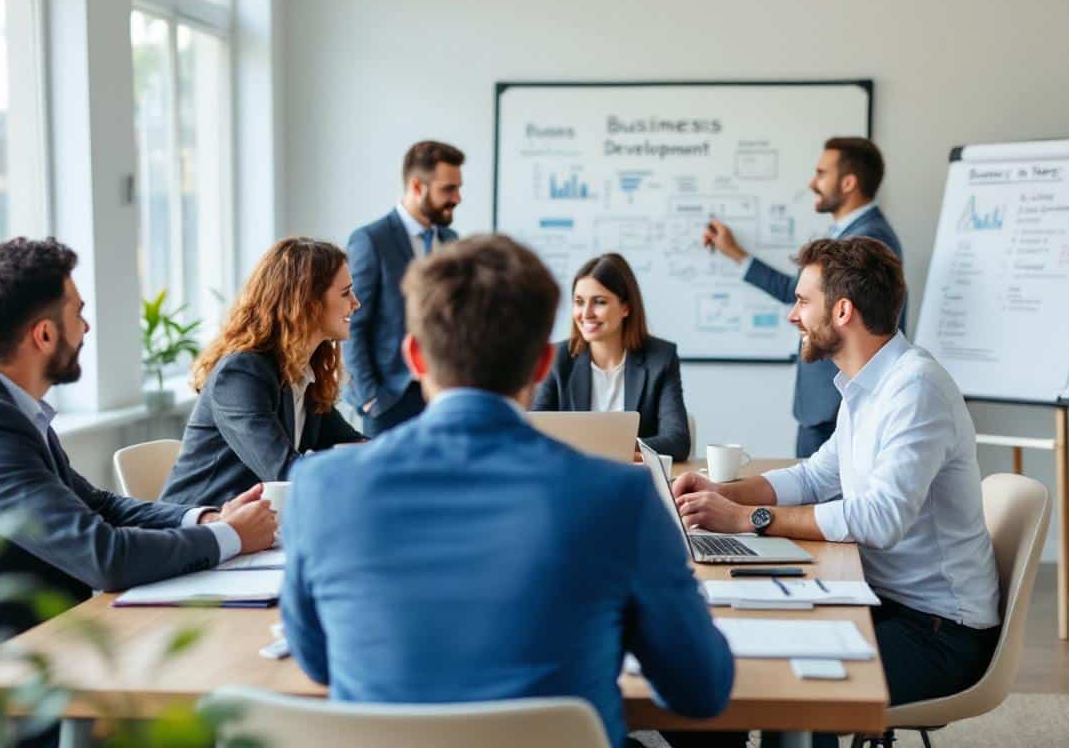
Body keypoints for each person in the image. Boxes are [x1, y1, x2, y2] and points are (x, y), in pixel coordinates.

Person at [281, 235, 734, 748]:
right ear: (542, 364)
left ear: (415, 357)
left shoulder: (320, 488)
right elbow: (701, 689)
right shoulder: (619, 497)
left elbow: (318, 662)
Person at [0, 238, 278, 638]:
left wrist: (207, 519)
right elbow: (103, 557)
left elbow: (97, 506)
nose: (86, 327)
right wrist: (230, 536)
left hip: (35, 640)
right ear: (45, 335)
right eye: (79, 313)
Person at [672, 237, 1000, 722]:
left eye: (803, 302)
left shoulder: (916, 389)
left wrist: (747, 518)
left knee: (787, 684)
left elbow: (880, 519)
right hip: (884, 601)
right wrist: (722, 494)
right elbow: (814, 475)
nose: (793, 315)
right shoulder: (865, 386)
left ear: (842, 311)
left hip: (937, 632)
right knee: (727, 653)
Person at [702, 137, 903, 457]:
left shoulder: (868, 239)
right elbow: (795, 290)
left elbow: (861, 326)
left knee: (821, 501)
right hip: (824, 400)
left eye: (821, 173)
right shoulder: (848, 234)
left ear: (849, 182)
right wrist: (736, 253)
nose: (812, 182)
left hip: (835, 401)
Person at [160, 239, 364, 508]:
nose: (356, 303)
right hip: (199, 532)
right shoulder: (241, 374)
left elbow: (350, 443)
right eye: (346, 293)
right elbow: (283, 471)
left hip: (253, 529)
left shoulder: (303, 371)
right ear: (308, 302)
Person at [343, 140, 464, 436]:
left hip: (442, 395)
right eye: (448, 189)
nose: (457, 198)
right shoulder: (371, 240)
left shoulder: (451, 241)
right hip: (390, 399)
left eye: (458, 188)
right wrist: (370, 396)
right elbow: (353, 321)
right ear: (417, 186)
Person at [532, 252, 691, 461]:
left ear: (626, 307)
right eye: (579, 302)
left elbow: (677, 440)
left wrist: (609, 447)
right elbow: (533, 431)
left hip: (630, 478)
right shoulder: (558, 358)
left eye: (599, 302)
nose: (586, 313)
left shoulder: (661, 358)